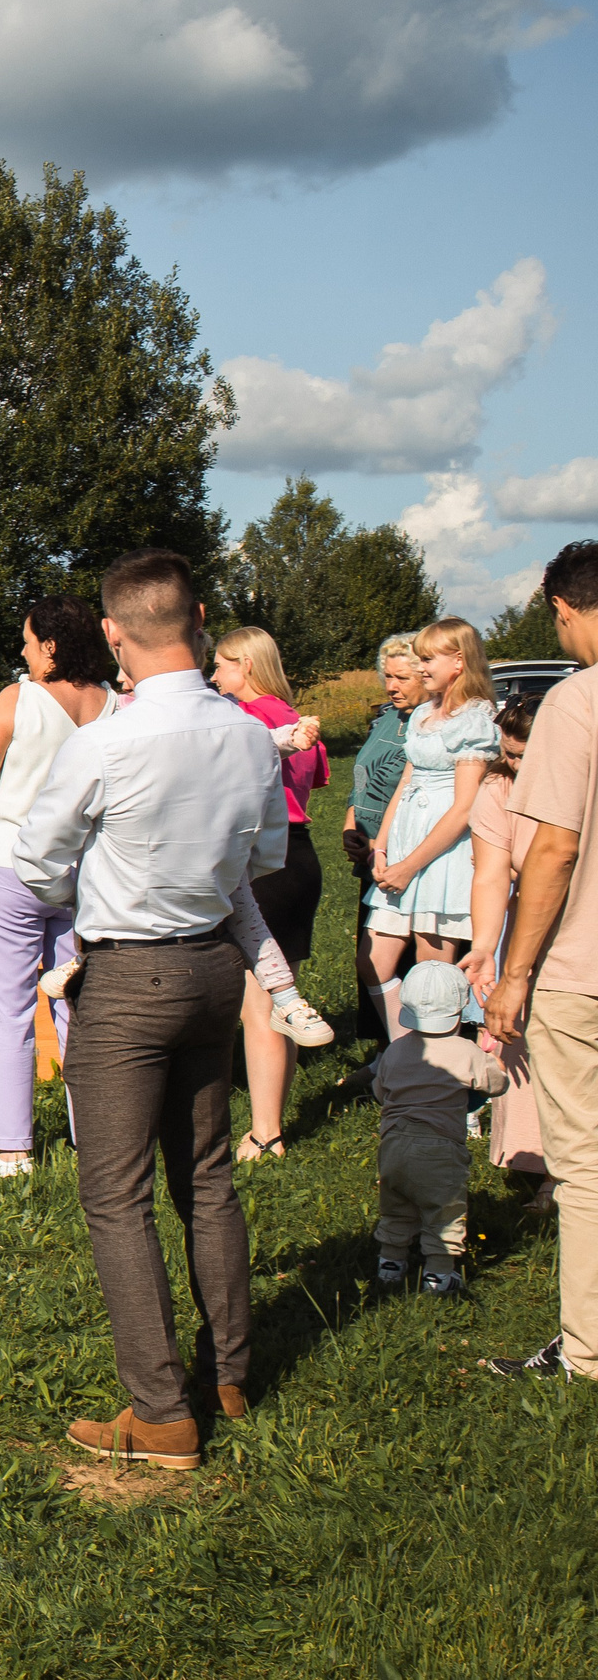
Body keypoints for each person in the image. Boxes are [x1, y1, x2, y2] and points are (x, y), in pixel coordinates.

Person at [14, 548, 286, 1470]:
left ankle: (162, 1409)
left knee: (116, 1193)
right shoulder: (251, 733)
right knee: (206, 1173)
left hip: (130, 975)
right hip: (215, 966)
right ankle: (230, 1372)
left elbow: (40, 857)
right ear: (201, 616)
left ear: (115, 634)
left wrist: (94, 881)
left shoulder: (107, 739)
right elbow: (270, 858)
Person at [484, 540, 598, 1380]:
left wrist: (514, 972)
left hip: (580, 968)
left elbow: (553, 848)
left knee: (587, 1162)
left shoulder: (574, 704)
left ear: (567, 608)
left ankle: (590, 1351)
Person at [0, 595, 116, 1178]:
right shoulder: (114, 704)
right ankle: (91, 1136)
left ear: (50, 646)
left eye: (26, 641)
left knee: (8, 1009)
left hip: (9, 867)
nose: (21, 652)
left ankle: (12, 1149)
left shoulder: (18, 698)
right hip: (83, 874)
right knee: (80, 1006)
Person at [208, 627, 338, 1160]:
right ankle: (271, 1120)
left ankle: (266, 1132)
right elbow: (315, 779)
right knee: (282, 1002)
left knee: (259, 1007)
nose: (214, 677)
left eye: (220, 665)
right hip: (302, 856)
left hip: (263, 860)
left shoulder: (247, 719)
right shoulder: (298, 720)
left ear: (246, 666)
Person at [369, 619, 496, 996]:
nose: (420, 667)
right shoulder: (425, 713)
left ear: (458, 661)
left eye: (427, 659)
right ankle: (401, 1051)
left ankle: (446, 1052)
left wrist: (410, 866)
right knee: (372, 962)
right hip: (406, 840)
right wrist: (382, 846)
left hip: (441, 852)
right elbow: (406, 782)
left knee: (433, 973)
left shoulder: (472, 720)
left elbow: (464, 808)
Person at [460, 695, 551, 1208]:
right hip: (528, 929)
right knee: (531, 1041)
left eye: (525, 755)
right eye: (509, 754)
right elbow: (491, 871)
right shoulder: (498, 787)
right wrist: (484, 947)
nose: (515, 764)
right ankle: (548, 1167)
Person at [371, 960, 506, 1297]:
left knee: (396, 1209)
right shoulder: (467, 1052)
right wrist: (497, 1065)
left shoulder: (396, 1050)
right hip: (440, 1148)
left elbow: (379, 1092)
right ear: (460, 1008)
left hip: (393, 1145)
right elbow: (497, 1084)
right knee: (444, 1212)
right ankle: (439, 1276)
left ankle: (389, 1265)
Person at [346, 635, 424, 1050]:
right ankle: (387, 1052)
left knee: (406, 960)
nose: (392, 686)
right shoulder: (384, 720)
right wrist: (350, 828)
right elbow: (360, 781)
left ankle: (415, 1053)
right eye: (387, 676)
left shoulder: (426, 725)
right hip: (372, 854)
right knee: (372, 951)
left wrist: (380, 841)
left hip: (403, 855)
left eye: (402, 678)